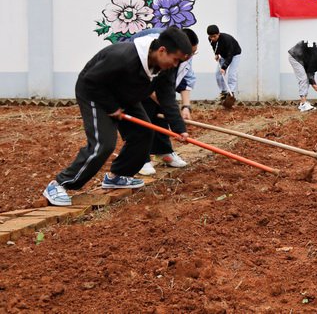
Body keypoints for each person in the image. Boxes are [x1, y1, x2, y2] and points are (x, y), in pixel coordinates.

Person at [42, 27, 192, 206]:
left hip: (124, 93)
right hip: (94, 92)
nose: (175, 65)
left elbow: (166, 97)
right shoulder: (123, 56)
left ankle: (118, 175)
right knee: (103, 144)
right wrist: (111, 107)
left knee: (144, 132)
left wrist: (179, 130)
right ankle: (59, 184)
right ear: (162, 51)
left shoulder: (165, 68)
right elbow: (90, 81)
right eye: (175, 60)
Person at [134, 28, 199, 175]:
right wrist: (160, 98)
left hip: (161, 85)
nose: (190, 58)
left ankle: (164, 151)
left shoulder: (184, 56)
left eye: (193, 53)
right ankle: (142, 159)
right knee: (144, 117)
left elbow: (186, 80)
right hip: (138, 83)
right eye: (189, 54)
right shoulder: (155, 44)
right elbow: (139, 73)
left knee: (162, 113)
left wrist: (185, 106)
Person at [207, 25, 241, 105]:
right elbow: (214, 46)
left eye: (214, 36)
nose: (212, 39)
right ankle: (224, 92)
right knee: (218, 75)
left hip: (234, 54)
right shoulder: (210, 39)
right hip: (224, 55)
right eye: (211, 37)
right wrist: (216, 54)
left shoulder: (227, 39)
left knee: (231, 74)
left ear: (218, 34)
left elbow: (230, 55)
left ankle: (230, 92)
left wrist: (224, 67)